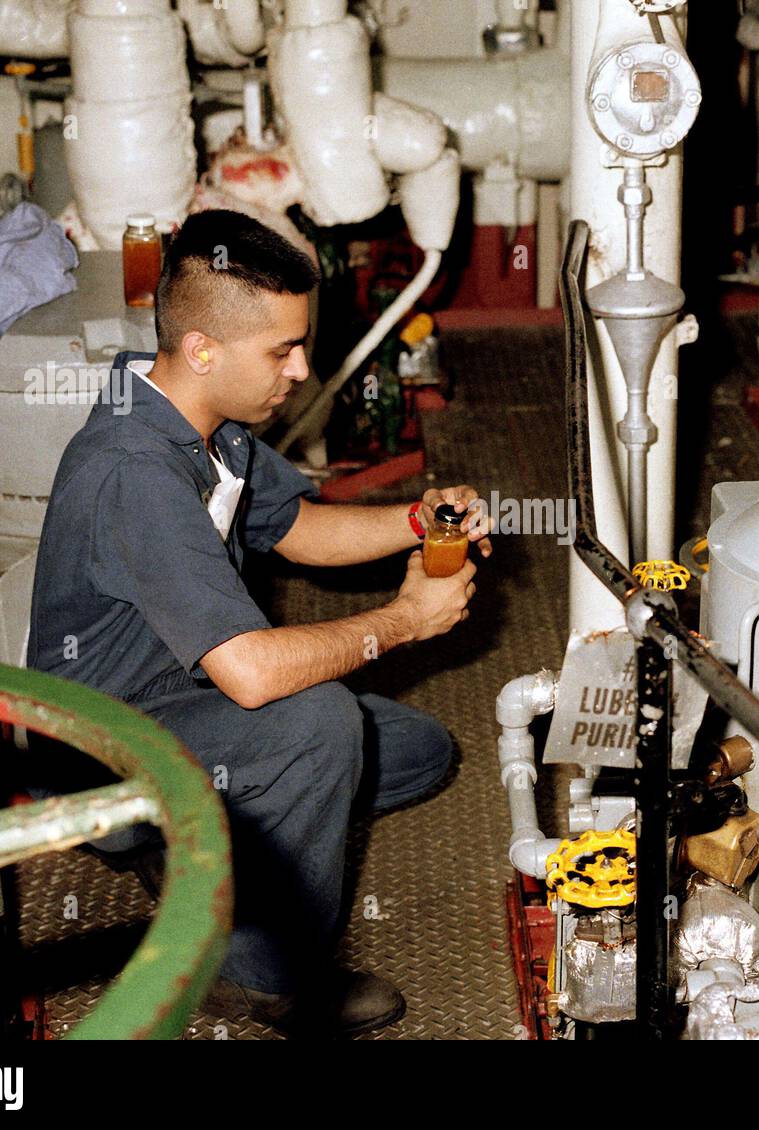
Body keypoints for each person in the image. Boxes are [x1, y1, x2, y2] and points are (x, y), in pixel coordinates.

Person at [28, 209, 488, 1035]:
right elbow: (253, 673)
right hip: (100, 752)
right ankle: (254, 977)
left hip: (180, 699)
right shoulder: (133, 470)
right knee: (318, 724)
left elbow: (300, 528)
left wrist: (418, 522)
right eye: (283, 350)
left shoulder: (202, 420)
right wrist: (406, 620)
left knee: (417, 752)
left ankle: (192, 848)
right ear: (203, 348)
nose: (303, 370)